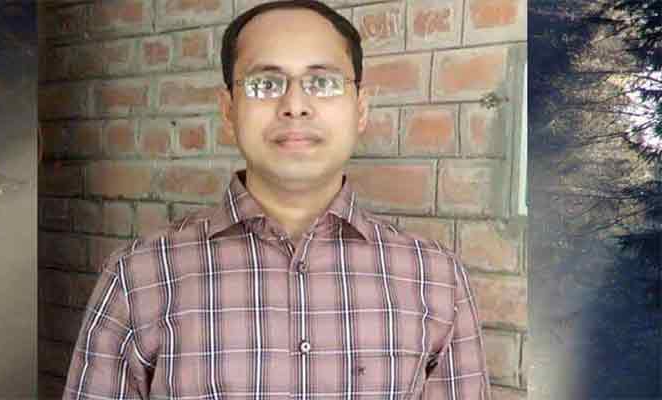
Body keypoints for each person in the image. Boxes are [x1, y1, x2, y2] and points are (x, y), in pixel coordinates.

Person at [62, 1, 491, 399]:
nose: (295, 105)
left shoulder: (436, 278)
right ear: (228, 110)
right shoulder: (138, 277)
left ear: (360, 109)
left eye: (322, 82)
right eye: (265, 83)